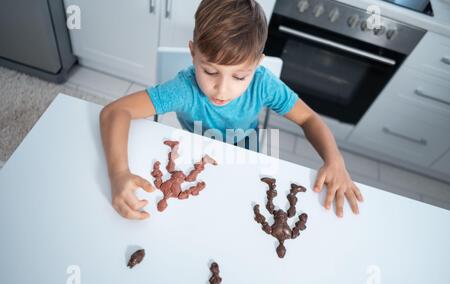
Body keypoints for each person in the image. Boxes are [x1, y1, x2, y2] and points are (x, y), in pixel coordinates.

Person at [99, 0, 363, 220]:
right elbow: (114, 112)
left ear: (258, 64)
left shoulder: (264, 84)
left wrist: (335, 160)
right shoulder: (184, 88)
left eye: (239, 77)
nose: (222, 89)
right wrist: (119, 173)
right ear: (193, 54)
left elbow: (308, 118)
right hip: (195, 158)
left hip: (245, 160)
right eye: (210, 71)